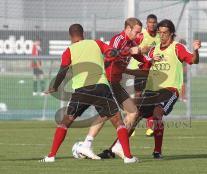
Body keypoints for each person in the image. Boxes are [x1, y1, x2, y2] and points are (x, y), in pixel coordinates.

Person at [99, 19, 201, 159]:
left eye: (165, 33)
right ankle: (113, 149)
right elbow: (146, 71)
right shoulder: (153, 50)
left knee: (157, 113)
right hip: (151, 90)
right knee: (134, 116)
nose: (162, 35)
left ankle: (157, 151)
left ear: (171, 33)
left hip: (169, 89)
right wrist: (128, 71)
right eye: (160, 33)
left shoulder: (178, 48)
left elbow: (193, 60)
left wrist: (196, 49)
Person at [39, 23, 138, 163]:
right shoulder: (96, 43)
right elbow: (112, 52)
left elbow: (62, 71)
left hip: (81, 91)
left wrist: (54, 87)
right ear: (83, 33)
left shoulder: (69, 51)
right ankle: (128, 157)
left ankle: (51, 156)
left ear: (70, 36)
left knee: (65, 122)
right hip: (101, 87)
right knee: (118, 121)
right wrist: (121, 54)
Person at [80, 17, 150, 159]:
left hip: (116, 83)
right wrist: (131, 50)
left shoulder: (131, 43)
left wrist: (152, 60)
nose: (138, 36)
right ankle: (87, 145)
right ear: (128, 29)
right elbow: (110, 55)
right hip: (107, 81)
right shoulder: (118, 39)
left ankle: (116, 146)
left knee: (132, 112)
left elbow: (142, 59)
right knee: (109, 114)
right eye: (136, 32)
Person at [128, 14, 161, 137]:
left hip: (154, 70)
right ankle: (132, 122)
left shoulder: (159, 36)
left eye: (154, 22)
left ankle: (150, 126)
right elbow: (132, 48)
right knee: (139, 95)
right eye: (150, 22)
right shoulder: (141, 35)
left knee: (152, 96)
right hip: (140, 69)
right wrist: (142, 50)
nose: (152, 24)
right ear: (147, 24)